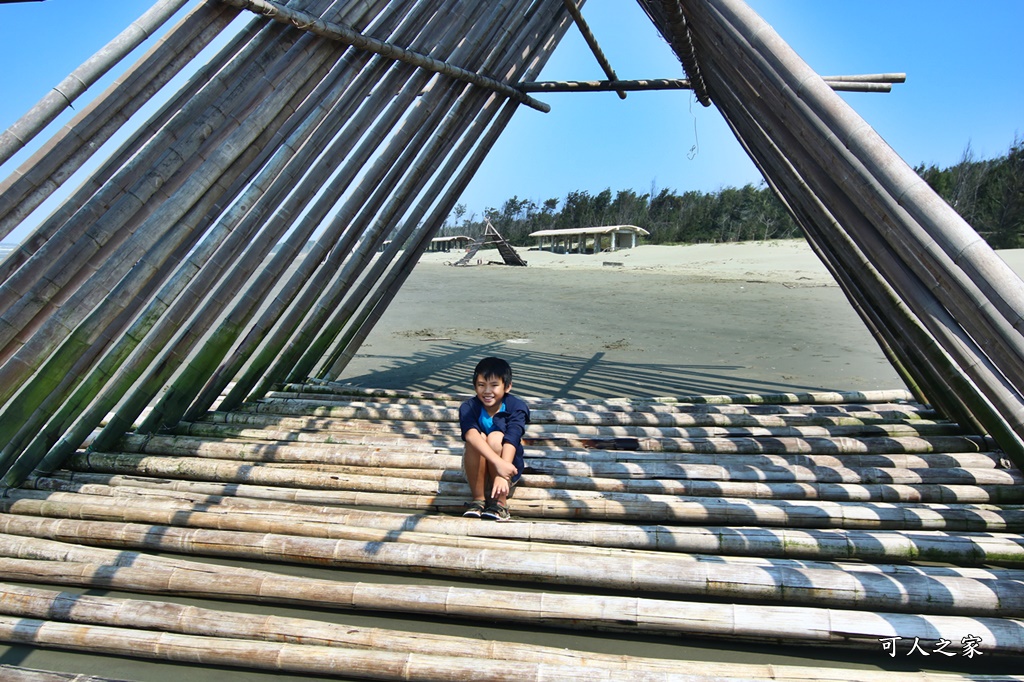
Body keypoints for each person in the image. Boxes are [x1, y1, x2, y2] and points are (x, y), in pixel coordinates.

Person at [458, 356, 530, 522]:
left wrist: (502, 473)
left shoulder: (517, 407)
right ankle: (478, 499)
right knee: (479, 437)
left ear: (507, 386)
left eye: (494, 385)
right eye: (481, 385)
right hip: (477, 471)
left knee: (496, 437)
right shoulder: (469, 407)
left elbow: (513, 438)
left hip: (508, 469)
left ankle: (500, 503)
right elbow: (470, 434)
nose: (487, 391)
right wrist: (498, 464)